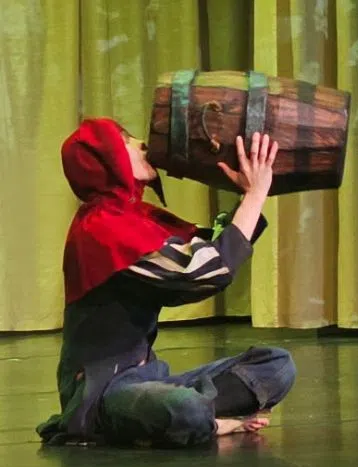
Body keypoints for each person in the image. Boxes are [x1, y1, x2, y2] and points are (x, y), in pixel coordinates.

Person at [36, 117, 296, 448]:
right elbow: (207, 271)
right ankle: (200, 420)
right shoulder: (100, 230)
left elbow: (211, 248)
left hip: (148, 381)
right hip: (102, 393)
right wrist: (255, 194)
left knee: (276, 366)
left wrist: (243, 190)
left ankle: (179, 417)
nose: (142, 143)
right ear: (106, 159)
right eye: (125, 140)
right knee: (182, 406)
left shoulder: (135, 217)